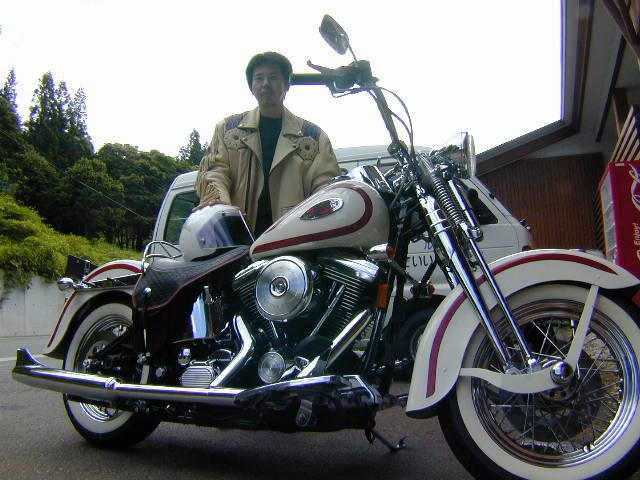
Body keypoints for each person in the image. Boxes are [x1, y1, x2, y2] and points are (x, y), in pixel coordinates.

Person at [195, 51, 340, 236]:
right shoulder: (227, 130)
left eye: (273, 77)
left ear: (286, 84)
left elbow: (325, 185)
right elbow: (214, 171)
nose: (265, 84)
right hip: (238, 237)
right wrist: (218, 201)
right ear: (251, 86)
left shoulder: (313, 137)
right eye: (259, 78)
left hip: (295, 238)